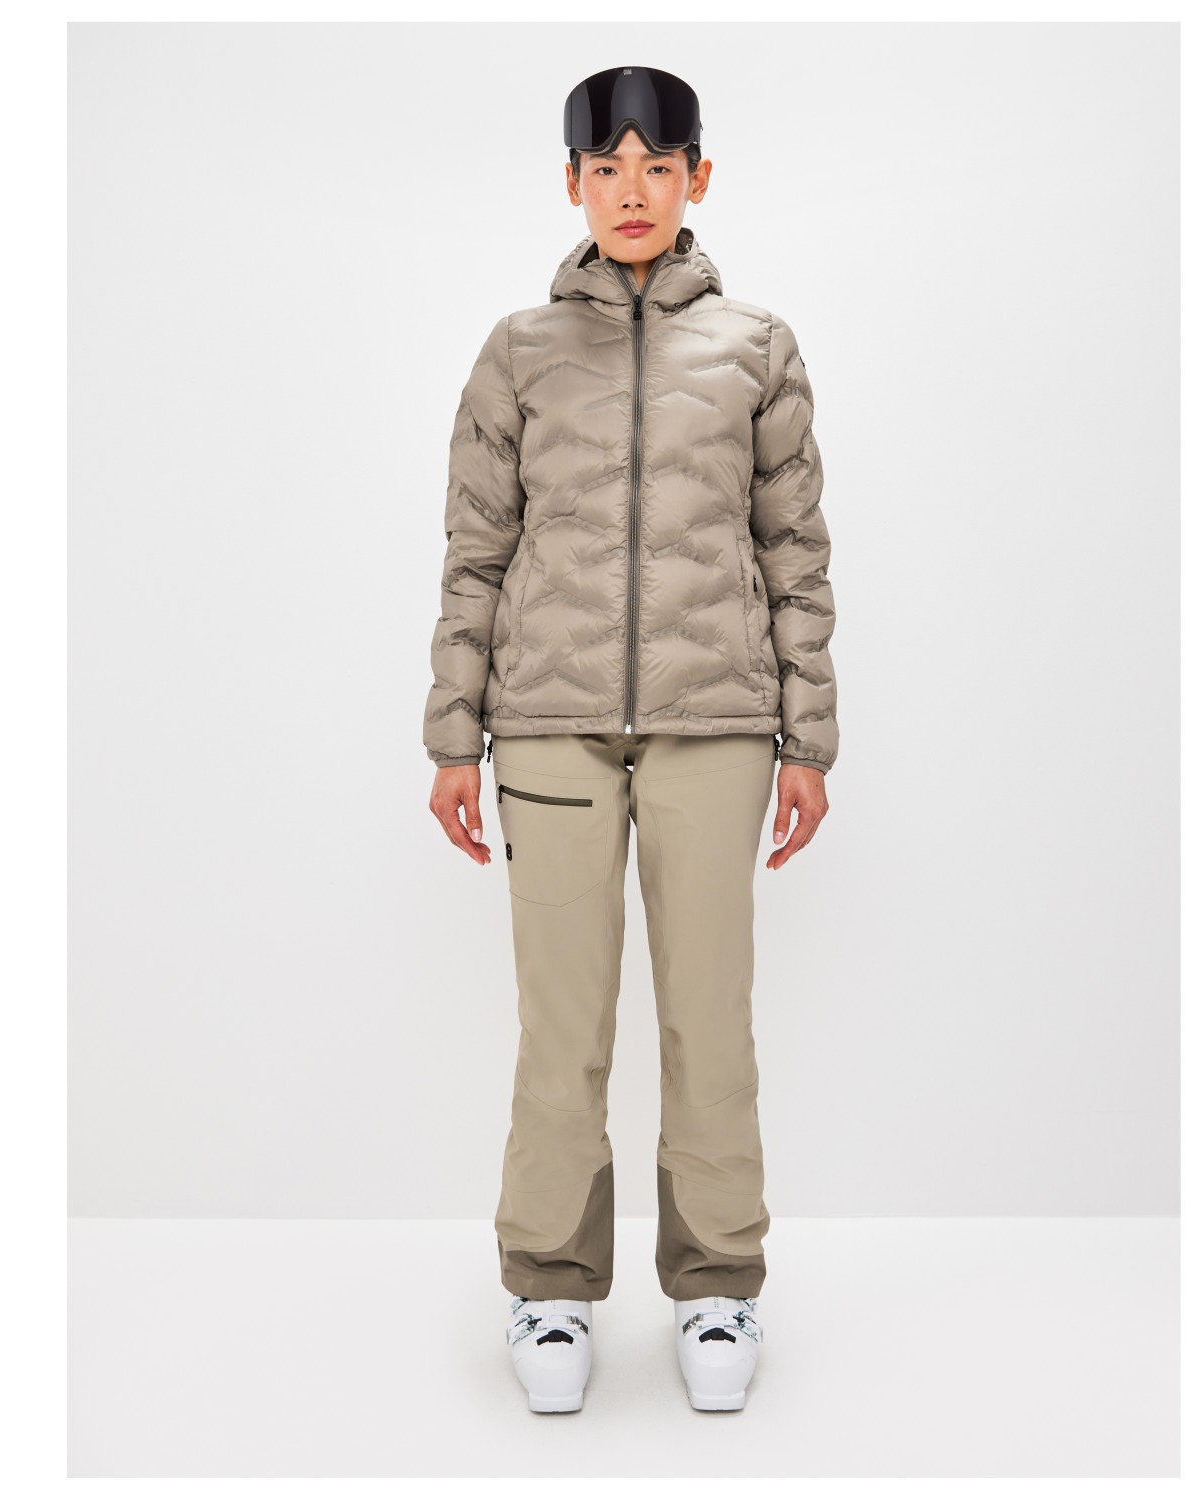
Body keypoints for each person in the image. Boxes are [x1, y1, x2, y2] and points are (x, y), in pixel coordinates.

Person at [423, 65, 839, 1413]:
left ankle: (718, 1283)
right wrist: (452, 737)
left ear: (697, 177)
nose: (633, 192)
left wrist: (809, 740)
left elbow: (796, 557)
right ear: (573, 184)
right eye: (607, 169)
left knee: (710, 1022)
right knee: (563, 1029)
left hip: (718, 726)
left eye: (659, 166)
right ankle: (549, 1288)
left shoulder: (758, 348)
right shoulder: (519, 352)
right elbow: (476, 554)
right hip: (547, 729)